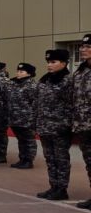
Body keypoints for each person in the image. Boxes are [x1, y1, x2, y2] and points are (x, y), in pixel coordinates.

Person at [35, 49, 73, 201]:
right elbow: (38, 102)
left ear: (63, 63)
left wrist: (67, 125)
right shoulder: (45, 80)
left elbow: (72, 105)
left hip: (60, 127)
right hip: (45, 126)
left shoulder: (68, 81)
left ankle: (62, 189)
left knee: (61, 159)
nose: (49, 65)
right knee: (50, 159)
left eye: (53, 62)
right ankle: (54, 187)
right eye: (48, 62)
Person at [7, 62, 38, 170]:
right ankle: (22, 159)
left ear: (29, 74)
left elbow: (35, 104)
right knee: (21, 140)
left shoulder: (32, 86)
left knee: (29, 140)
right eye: (18, 71)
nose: (18, 73)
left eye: (21, 71)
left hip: (27, 118)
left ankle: (29, 161)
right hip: (15, 118)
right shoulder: (15, 84)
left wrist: (32, 118)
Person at [73, 33, 91, 209]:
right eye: (82, 46)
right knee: (90, 163)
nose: (83, 49)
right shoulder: (80, 71)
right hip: (84, 125)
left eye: (88, 47)